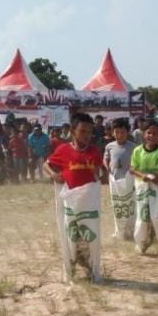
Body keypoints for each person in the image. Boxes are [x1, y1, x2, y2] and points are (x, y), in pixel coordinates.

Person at [46, 113, 108, 280]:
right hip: (71, 202)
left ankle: (92, 269)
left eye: (89, 132)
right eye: (82, 131)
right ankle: (71, 267)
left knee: (90, 236)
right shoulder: (63, 150)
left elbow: (99, 170)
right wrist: (54, 175)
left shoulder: (94, 151)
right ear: (73, 131)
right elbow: (47, 164)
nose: (87, 135)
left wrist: (103, 176)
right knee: (71, 235)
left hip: (88, 202)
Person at [130, 121, 158, 254]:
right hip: (142, 186)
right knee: (143, 216)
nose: (152, 136)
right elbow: (132, 169)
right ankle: (141, 243)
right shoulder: (137, 151)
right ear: (144, 134)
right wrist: (142, 175)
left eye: (155, 133)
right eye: (149, 133)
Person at [104, 118, 138, 240]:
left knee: (130, 206)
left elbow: (137, 163)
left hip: (129, 181)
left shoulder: (134, 147)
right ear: (113, 132)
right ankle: (119, 231)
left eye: (122, 132)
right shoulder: (109, 146)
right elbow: (106, 159)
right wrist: (107, 167)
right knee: (117, 206)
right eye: (116, 132)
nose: (119, 135)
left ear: (127, 132)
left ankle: (132, 230)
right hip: (115, 181)